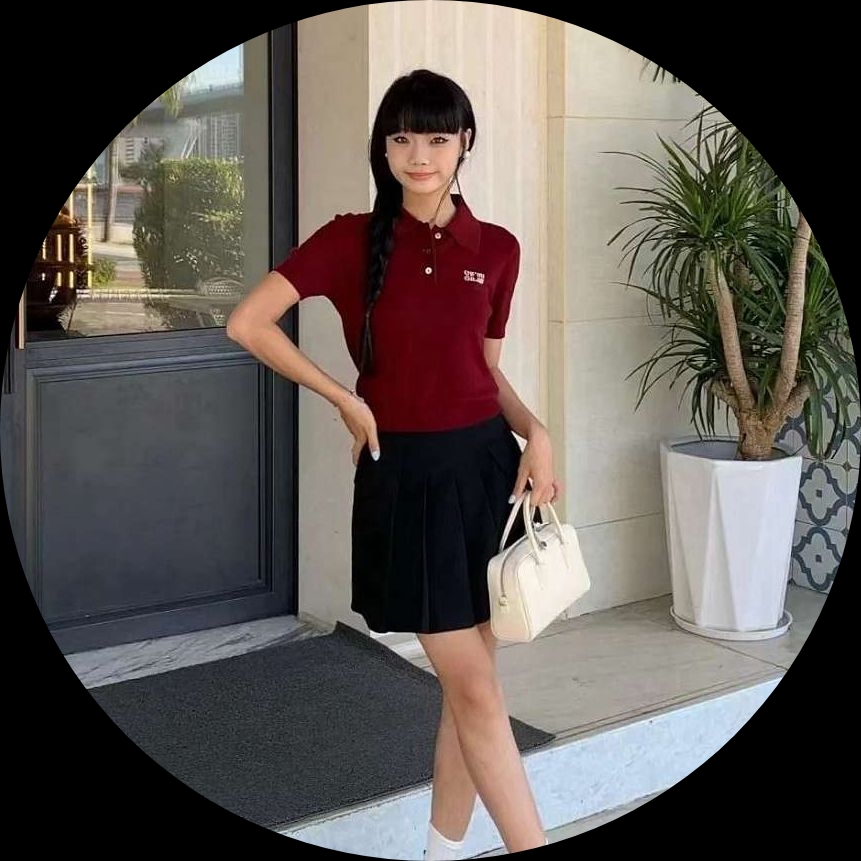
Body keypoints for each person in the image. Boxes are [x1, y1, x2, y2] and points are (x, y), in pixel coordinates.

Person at [226, 68, 560, 856]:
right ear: (383, 147)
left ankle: (441, 850)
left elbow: (483, 372)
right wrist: (344, 398)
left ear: (464, 143)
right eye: (402, 138)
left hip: (487, 470)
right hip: (405, 480)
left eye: (437, 138)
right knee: (474, 688)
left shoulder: (498, 249)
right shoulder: (348, 239)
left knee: (471, 687)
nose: (419, 155)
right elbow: (248, 322)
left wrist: (537, 431)